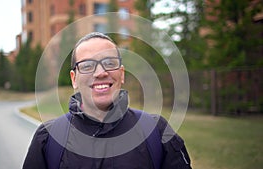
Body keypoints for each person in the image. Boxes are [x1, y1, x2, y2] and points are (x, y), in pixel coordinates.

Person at [23, 32, 192, 169]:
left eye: (109, 62)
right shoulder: (48, 139)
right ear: (74, 79)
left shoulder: (157, 133)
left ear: (122, 73)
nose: (100, 73)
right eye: (87, 65)